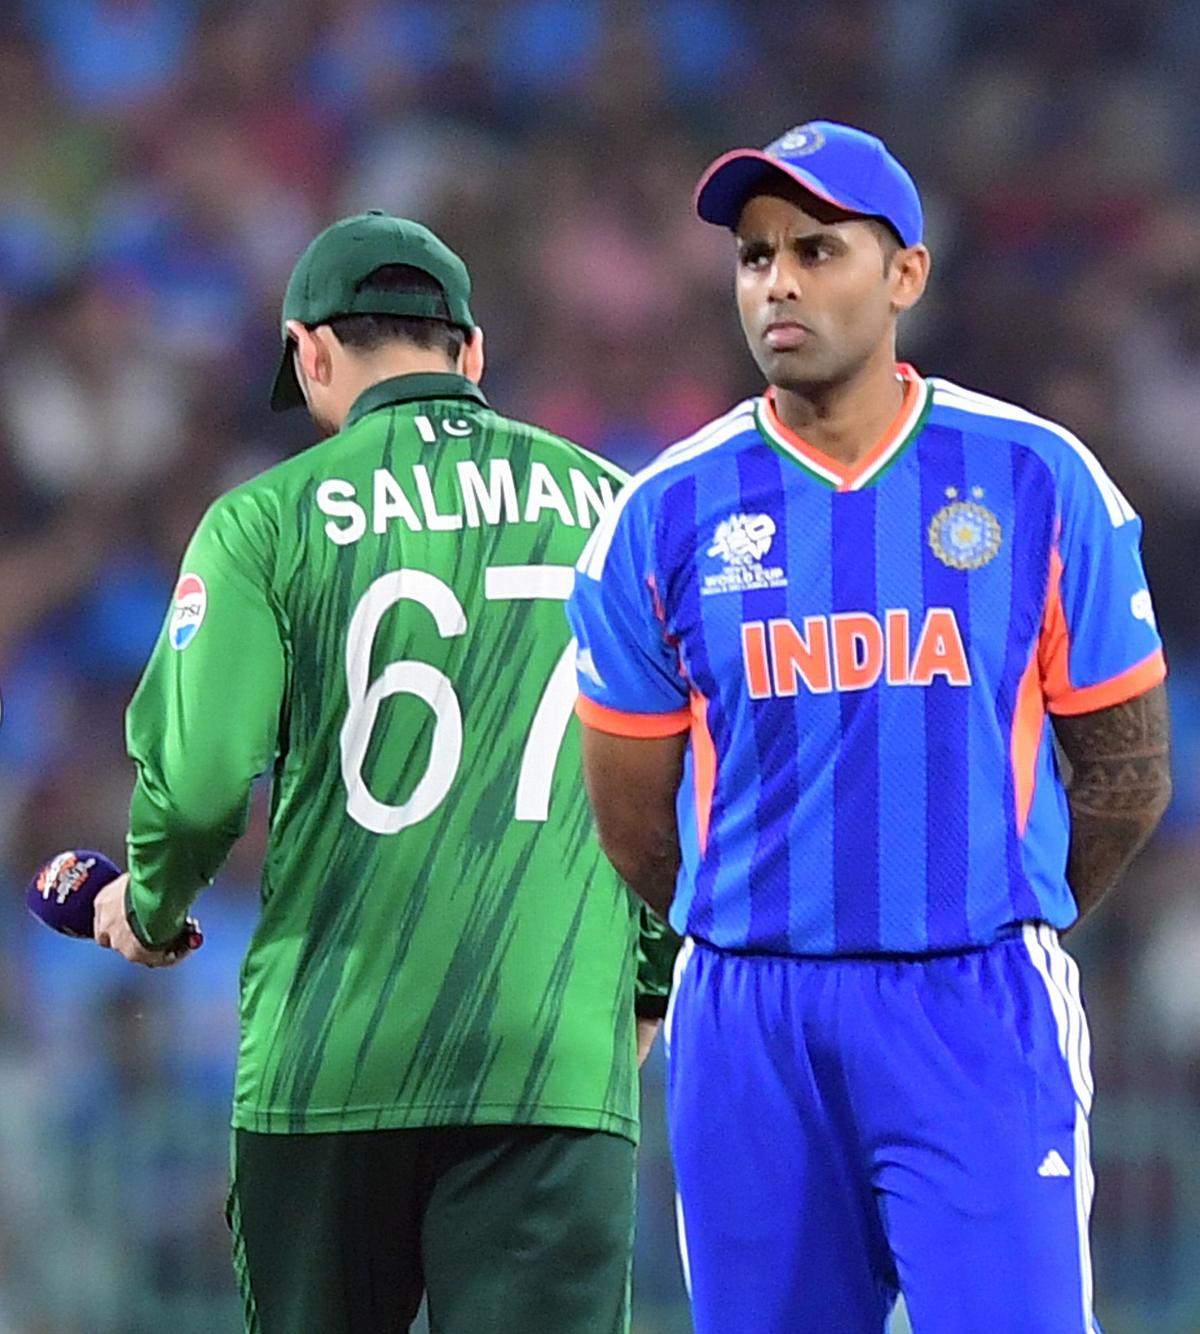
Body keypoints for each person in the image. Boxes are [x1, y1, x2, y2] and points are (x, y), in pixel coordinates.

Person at [566, 121, 1173, 1333]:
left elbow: (1128, 770)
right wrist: (769, 921)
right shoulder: (662, 513)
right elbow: (633, 822)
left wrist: (995, 902)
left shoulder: (1040, 479)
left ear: (906, 275)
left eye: (817, 248)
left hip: (975, 1005)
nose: (777, 281)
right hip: (750, 1016)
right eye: (754, 256)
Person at [92, 210, 673, 1334]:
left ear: (310, 352)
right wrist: (644, 977)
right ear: (473, 354)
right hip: (548, 1051)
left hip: (331, 1057)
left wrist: (152, 905)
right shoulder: (621, 510)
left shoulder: (262, 521)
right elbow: (678, 775)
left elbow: (204, 780)